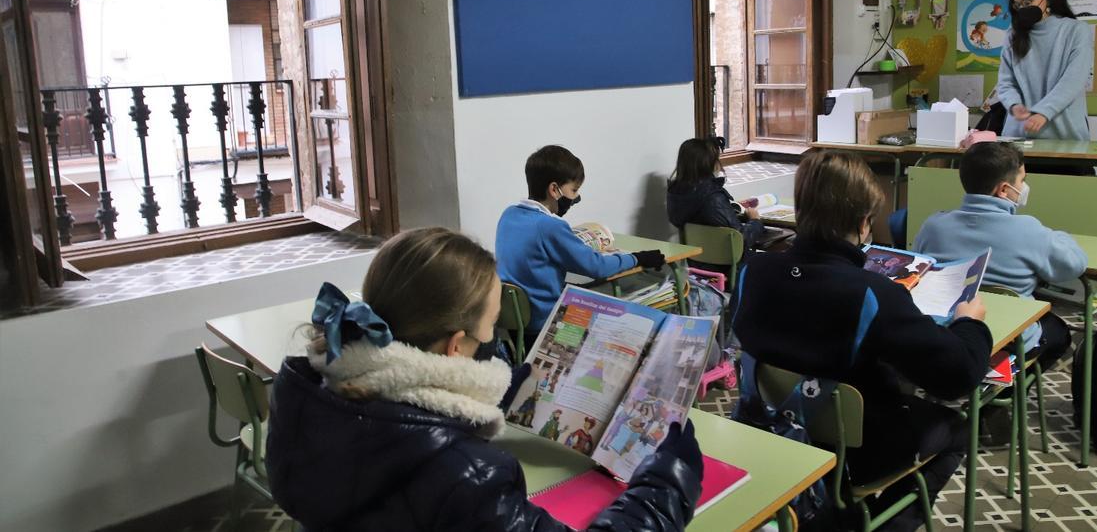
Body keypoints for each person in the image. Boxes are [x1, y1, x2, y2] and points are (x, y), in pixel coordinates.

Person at [267, 227, 702, 531]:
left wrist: (494, 388)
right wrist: (667, 482)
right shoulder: (468, 475)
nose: (492, 341)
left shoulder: (308, 393)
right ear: (456, 347)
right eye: (491, 329)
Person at [733, 150, 991, 531]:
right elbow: (958, 376)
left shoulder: (753, 269)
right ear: (863, 223)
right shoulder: (870, 292)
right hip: (855, 452)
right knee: (958, 427)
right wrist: (970, 324)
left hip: (769, 432)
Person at [913, 141, 1081, 372]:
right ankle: (1012, 387)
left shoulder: (933, 225)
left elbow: (919, 269)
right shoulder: (1029, 230)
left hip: (948, 331)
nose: (1024, 186)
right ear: (1003, 190)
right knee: (1059, 333)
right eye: (1022, 181)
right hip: (1013, 341)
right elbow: (1074, 264)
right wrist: (1061, 236)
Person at [496, 145, 666, 332]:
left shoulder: (509, 215)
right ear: (554, 190)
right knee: (614, 307)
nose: (576, 198)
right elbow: (597, 267)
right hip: (544, 321)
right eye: (574, 190)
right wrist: (638, 258)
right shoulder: (550, 226)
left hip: (513, 320)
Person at [995, 0, 1092, 140]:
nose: (1022, 9)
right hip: (1019, 137)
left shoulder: (1076, 31)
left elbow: (1073, 80)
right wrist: (1014, 105)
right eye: (1018, 5)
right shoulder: (1012, 35)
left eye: (1028, 2)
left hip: (1066, 136)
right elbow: (1005, 83)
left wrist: (1043, 112)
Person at [666, 137, 767, 251]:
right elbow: (741, 239)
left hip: (696, 262)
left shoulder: (675, 193)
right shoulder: (713, 197)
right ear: (708, 163)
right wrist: (755, 221)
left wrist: (727, 207)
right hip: (729, 265)